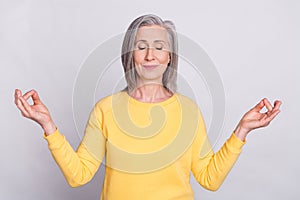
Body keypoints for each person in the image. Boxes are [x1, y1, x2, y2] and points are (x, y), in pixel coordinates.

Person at [14, 14, 281, 200]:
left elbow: (210, 179)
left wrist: (242, 130)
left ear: (169, 57)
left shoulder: (188, 111)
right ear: (129, 54)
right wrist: (48, 126)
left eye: (159, 47)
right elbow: (79, 175)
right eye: (141, 47)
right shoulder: (106, 109)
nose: (150, 55)